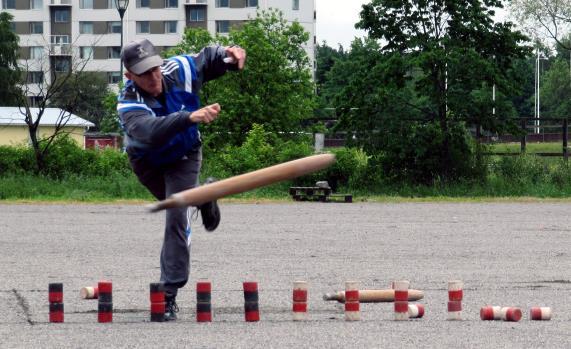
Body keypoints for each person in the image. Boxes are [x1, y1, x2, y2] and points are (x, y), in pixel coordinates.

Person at [117, 38, 246, 321]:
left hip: (184, 156)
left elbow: (210, 57)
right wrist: (188, 117)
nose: (153, 78)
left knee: (177, 212)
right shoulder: (128, 104)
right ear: (129, 76)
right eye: (144, 74)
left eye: (155, 69)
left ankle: (168, 293)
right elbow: (150, 131)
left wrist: (231, 54)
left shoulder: (180, 69)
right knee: (181, 204)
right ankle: (204, 195)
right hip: (148, 164)